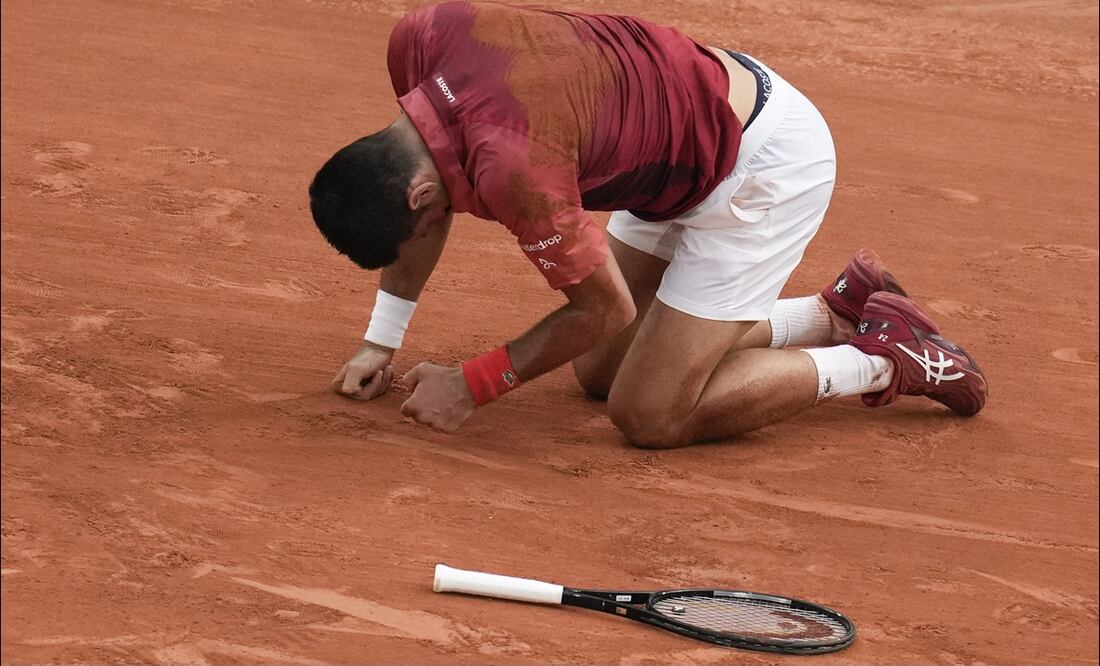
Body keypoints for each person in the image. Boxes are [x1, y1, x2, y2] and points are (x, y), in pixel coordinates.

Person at [307, 1, 987, 448]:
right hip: (677, 130)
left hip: (762, 167)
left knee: (651, 414)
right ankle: (832, 313)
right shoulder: (419, 38)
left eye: (422, 227)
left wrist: (477, 382)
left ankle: (880, 359)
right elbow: (421, 202)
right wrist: (381, 341)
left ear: (424, 193)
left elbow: (602, 308)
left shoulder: (515, 169)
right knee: (600, 374)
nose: (427, 235)